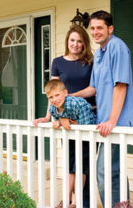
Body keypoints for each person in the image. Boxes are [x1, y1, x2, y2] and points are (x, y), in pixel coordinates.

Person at [72, 10, 133, 207]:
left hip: (116, 123)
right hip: (105, 124)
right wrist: (70, 96)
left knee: (103, 171)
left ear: (110, 28)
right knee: (114, 170)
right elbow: (94, 88)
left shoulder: (117, 47)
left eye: (99, 27)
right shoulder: (100, 53)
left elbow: (121, 85)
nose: (95, 32)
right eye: (92, 28)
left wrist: (111, 121)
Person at [33, 24, 95, 208]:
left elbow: (93, 89)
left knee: (84, 162)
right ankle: (70, 199)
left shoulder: (90, 62)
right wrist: (49, 117)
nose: (75, 44)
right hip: (65, 117)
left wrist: (69, 97)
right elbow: (54, 93)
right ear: (67, 41)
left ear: (84, 44)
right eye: (72, 40)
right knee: (71, 161)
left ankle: (80, 201)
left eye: (79, 41)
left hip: (86, 116)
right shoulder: (57, 62)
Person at [44, 79, 96, 208]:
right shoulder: (52, 107)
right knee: (70, 167)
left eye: (57, 95)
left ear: (65, 93)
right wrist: (61, 120)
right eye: (51, 97)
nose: (55, 99)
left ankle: (76, 202)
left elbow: (85, 126)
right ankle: (66, 200)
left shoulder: (76, 104)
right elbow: (56, 120)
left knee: (80, 168)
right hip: (71, 136)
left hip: (86, 135)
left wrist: (63, 122)